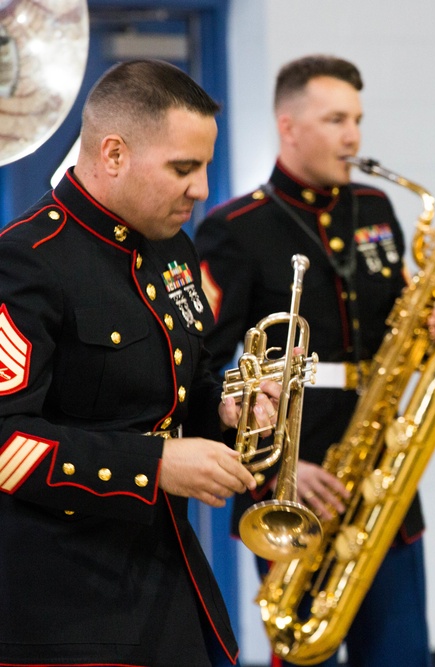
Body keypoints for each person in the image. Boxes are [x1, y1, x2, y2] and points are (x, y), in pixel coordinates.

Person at [0, 59, 275, 666]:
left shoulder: (171, 248)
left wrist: (227, 406)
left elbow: (184, 382)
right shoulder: (26, 261)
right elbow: (5, 443)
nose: (202, 188)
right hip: (60, 607)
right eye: (184, 168)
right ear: (114, 154)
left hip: (162, 576)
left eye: (203, 165)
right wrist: (152, 464)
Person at [195, 55, 435, 667]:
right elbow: (203, 370)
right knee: (305, 653)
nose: (353, 135)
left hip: (382, 472)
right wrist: (280, 468)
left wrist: (431, 329)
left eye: (357, 119)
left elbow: (392, 340)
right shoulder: (235, 227)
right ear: (289, 127)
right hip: (294, 481)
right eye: (335, 118)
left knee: (402, 654)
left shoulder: (376, 209)